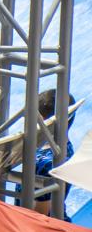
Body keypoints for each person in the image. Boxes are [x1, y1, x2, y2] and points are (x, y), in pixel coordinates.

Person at [35, 88, 77, 216]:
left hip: (43, 229)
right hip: (58, 219)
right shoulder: (66, 147)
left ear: (40, 119)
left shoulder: (45, 164)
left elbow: (38, 217)